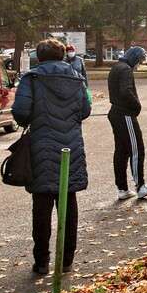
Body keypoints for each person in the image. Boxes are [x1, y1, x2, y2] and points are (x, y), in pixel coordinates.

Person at [12, 38, 91, 275]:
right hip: (71, 147)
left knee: (42, 205)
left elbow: (21, 112)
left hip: (41, 147)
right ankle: (66, 260)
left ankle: (42, 261)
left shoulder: (32, 79)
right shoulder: (77, 79)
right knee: (69, 202)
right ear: (62, 56)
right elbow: (86, 110)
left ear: (39, 56)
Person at [109, 46, 147, 201]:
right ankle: (140, 186)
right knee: (137, 149)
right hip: (125, 114)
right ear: (135, 58)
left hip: (117, 113)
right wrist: (137, 106)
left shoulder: (117, 67)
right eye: (140, 61)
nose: (140, 64)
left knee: (121, 151)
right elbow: (126, 91)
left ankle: (122, 188)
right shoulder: (125, 70)